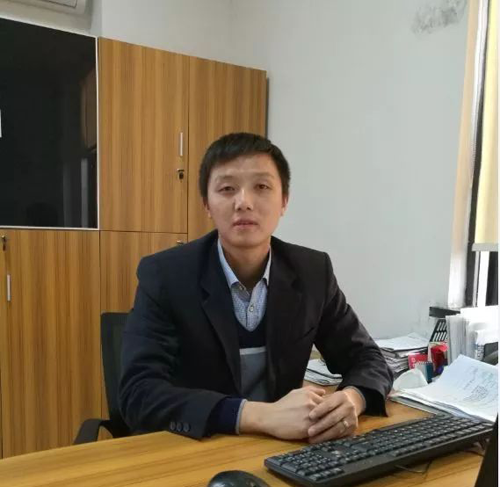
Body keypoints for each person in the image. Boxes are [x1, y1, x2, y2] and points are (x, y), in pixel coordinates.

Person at [119, 132, 393, 444]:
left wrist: (352, 399)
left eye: (261, 187)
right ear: (206, 204)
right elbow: (138, 393)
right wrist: (259, 415)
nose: (244, 202)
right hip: (197, 448)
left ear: (284, 201)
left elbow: (368, 358)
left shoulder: (312, 272)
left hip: (283, 450)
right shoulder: (166, 275)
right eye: (227, 189)